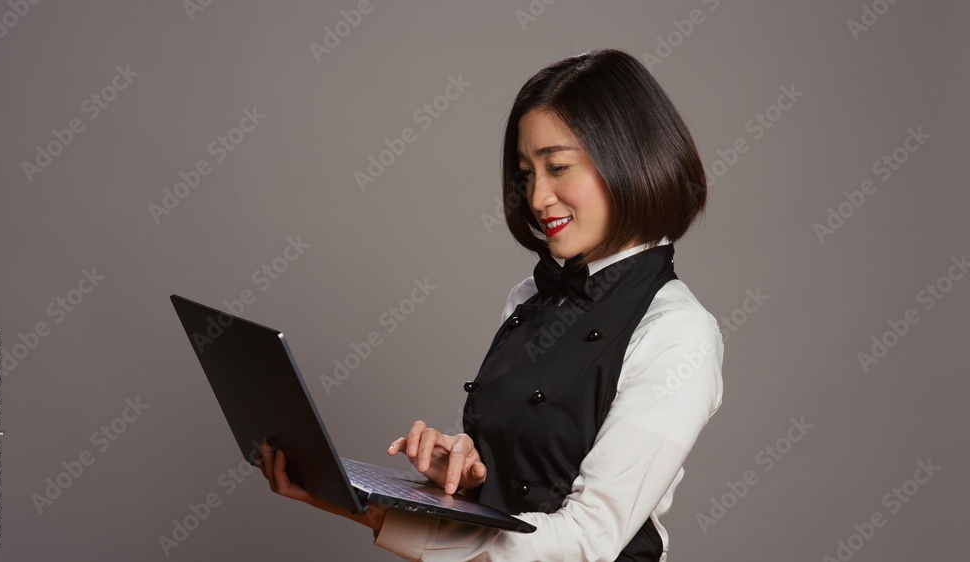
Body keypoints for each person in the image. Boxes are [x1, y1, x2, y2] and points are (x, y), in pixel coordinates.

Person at [255, 48, 724, 561]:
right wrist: (469, 472)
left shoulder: (678, 332)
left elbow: (587, 542)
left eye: (558, 167)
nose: (538, 197)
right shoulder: (529, 297)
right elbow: (523, 491)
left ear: (632, 160)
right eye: (526, 173)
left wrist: (369, 513)